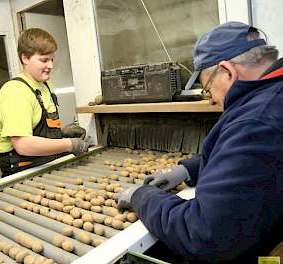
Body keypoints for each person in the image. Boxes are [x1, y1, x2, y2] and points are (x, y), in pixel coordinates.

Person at [114, 22, 283, 263]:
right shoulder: (270, 95)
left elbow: (202, 233)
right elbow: (244, 161)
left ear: (226, 72)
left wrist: (142, 197)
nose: (211, 99)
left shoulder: (258, 121)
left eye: (207, 88)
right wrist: (187, 170)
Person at [0, 28, 89, 176]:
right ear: (25, 58)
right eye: (44, 60)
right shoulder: (16, 93)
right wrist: (70, 144)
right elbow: (23, 145)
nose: (50, 65)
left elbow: (37, 127)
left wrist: (61, 133)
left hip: (48, 163)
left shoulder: (45, 85)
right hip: (24, 170)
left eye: (51, 59)